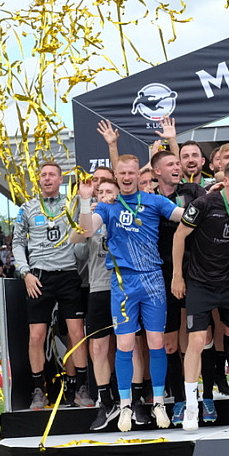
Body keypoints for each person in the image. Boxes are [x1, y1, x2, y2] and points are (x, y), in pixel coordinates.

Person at [78, 154, 185, 431]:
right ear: (116, 175)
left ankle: (159, 403)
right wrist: (85, 200)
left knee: (156, 343)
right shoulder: (108, 206)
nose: (127, 177)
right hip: (123, 283)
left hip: (153, 281)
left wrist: (211, 203)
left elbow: (184, 217)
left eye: (131, 172)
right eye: (122, 173)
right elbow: (86, 231)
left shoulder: (154, 201)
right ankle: (125, 406)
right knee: (125, 344)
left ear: (139, 174)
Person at [172, 160, 229, 430]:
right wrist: (177, 276)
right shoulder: (204, 204)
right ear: (227, 181)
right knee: (197, 341)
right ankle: (191, 406)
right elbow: (179, 236)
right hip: (200, 283)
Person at [12, 161, 92, 410]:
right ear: (39, 180)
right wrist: (25, 273)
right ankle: (39, 390)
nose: (47, 178)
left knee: (76, 333)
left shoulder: (72, 204)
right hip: (38, 277)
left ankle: (80, 388)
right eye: (43, 175)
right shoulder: (27, 208)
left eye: (51, 175)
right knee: (36, 335)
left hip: (68, 274)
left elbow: (85, 231)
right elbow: (17, 243)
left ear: (60, 180)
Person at [150, 150, 207, 426]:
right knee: (170, 344)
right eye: (170, 164)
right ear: (157, 172)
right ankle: (179, 399)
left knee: (195, 340)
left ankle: (201, 396)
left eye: (178, 163)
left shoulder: (192, 191)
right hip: (161, 277)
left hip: (193, 273)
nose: (177, 166)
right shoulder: (149, 198)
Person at [71, 170, 124, 430]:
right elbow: (77, 247)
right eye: (99, 191)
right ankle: (106, 401)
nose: (104, 195)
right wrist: (85, 209)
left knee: (127, 346)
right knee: (99, 348)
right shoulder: (90, 217)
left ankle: (129, 399)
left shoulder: (125, 214)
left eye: (108, 191)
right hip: (99, 288)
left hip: (125, 287)